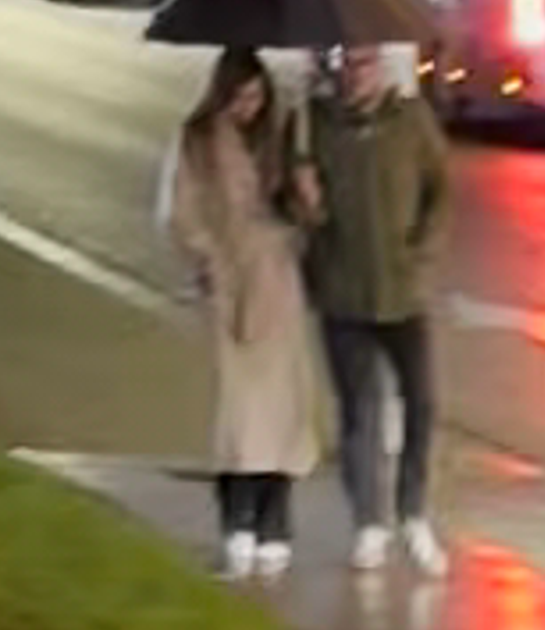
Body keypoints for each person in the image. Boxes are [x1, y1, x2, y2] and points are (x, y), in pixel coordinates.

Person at [157, 41, 326, 576]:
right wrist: (208, 257)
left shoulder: (281, 136)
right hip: (230, 286)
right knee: (238, 415)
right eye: (239, 98)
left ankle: (275, 519)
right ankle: (237, 521)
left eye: (256, 96)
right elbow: (184, 210)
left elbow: (311, 212)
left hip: (278, 283)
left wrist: (301, 179)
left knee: (284, 410)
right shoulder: (199, 140)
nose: (248, 108)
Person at [311, 38, 456, 576]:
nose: (356, 75)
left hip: (403, 292)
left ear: (383, 70)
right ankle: (368, 523)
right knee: (359, 411)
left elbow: (440, 190)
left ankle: (413, 512)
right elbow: (292, 198)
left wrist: (423, 251)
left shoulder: (411, 121)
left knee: (421, 403)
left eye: (365, 64)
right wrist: (303, 199)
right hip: (344, 291)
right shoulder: (317, 124)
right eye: (347, 64)